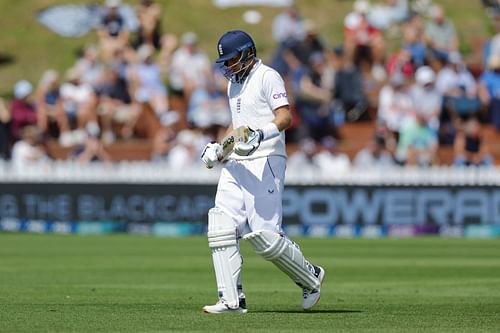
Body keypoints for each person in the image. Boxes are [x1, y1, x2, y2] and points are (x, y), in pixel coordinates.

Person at [200, 30, 325, 314]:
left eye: (232, 60)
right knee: (221, 227)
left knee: (266, 238)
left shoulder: (268, 76)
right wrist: (219, 149)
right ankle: (231, 301)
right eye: (225, 62)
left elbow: (284, 117)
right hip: (237, 163)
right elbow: (238, 126)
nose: (228, 67)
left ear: (247, 53)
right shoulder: (233, 85)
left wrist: (261, 134)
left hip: (266, 157)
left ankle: (311, 276)